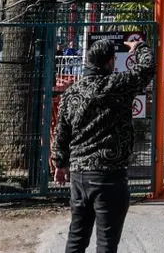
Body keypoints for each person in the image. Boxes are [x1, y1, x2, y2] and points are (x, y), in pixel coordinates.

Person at [52, 36, 155, 253]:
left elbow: (62, 132)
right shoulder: (116, 85)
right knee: (107, 242)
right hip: (109, 176)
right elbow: (147, 68)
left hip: (79, 175)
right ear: (110, 62)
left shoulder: (72, 92)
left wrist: (60, 163)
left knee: (77, 238)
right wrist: (138, 48)